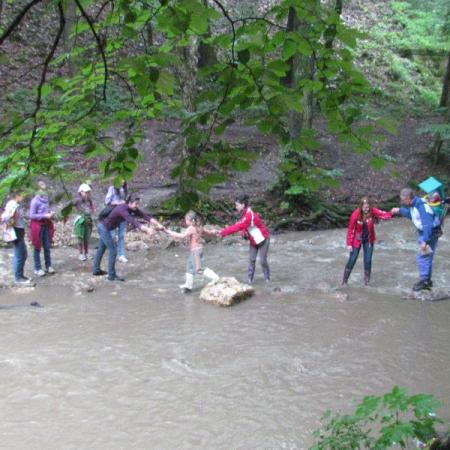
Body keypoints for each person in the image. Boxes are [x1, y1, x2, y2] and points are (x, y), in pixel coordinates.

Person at [93, 194, 163, 281]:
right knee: (113, 251)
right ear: (129, 203)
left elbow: (145, 216)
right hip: (103, 228)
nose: (137, 206)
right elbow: (133, 221)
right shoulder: (122, 209)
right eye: (136, 204)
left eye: (138, 204)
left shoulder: (132, 208)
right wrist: (147, 230)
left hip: (106, 228)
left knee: (101, 248)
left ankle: (96, 270)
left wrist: (158, 224)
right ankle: (111, 276)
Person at [391, 188, 442, 291]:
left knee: (423, 256)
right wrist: (400, 210)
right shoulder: (414, 204)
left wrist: (425, 241)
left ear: (408, 198)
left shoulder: (421, 206)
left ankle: (424, 281)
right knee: (427, 257)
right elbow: (413, 216)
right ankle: (427, 280)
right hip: (428, 232)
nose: (402, 201)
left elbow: (427, 223)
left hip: (429, 233)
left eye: (403, 199)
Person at [219, 194, 270, 285]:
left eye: (237, 205)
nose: (236, 207)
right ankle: (249, 281)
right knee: (252, 260)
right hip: (254, 241)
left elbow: (237, 226)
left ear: (243, 205)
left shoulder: (249, 215)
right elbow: (244, 227)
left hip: (264, 240)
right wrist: (244, 233)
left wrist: (222, 232)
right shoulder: (244, 213)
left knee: (262, 261)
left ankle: (267, 280)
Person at [163, 210, 219, 292]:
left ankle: (215, 278)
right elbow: (209, 233)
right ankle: (188, 285)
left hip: (195, 251)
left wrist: (167, 231)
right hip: (198, 250)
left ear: (190, 220)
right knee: (189, 267)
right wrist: (215, 232)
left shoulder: (191, 228)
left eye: (186, 220)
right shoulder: (199, 227)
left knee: (199, 269)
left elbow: (181, 236)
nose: (185, 221)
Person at [342, 197, 393, 286]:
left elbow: (382, 214)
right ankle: (344, 281)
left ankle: (367, 282)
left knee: (368, 260)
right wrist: (349, 244)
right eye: (365, 207)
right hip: (356, 240)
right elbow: (351, 230)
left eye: (368, 207)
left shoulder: (372, 211)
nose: (367, 209)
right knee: (352, 259)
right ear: (361, 207)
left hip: (369, 239)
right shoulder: (355, 214)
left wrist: (392, 213)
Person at [1, 190, 34, 285]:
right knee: (20, 254)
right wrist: (11, 220)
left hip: (19, 230)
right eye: (22, 195)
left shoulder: (16, 204)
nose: (24, 197)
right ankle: (18, 278)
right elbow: (6, 217)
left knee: (23, 254)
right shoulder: (12, 205)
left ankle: (21, 275)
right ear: (17, 195)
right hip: (16, 231)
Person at [29, 181, 55, 277]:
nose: (43, 191)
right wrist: (44, 215)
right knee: (37, 247)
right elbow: (31, 215)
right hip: (37, 226)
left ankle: (48, 266)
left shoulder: (46, 199)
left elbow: (46, 211)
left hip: (46, 225)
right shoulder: (34, 201)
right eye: (41, 189)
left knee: (47, 246)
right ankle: (37, 268)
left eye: (44, 189)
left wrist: (50, 213)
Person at [105, 180, 128, 262]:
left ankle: (121, 254)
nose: (123, 181)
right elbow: (107, 201)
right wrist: (117, 203)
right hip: (113, 216)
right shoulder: (112, 188)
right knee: (112, 235)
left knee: (121, 235)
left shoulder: (124, 189)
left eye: (124, 180)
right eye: (121, 180)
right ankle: (112, 253)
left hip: (122, 216)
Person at [73, 183, 95, 261]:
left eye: (88, 192)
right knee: (80, 237)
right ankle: (81, 253)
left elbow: (92, 208)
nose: (87, 194)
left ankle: (86, 252)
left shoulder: (89, 200)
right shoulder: (78, 200)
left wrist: (91, 211)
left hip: (88, 220)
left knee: (87, 238)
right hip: (80, 221)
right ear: (81, 192)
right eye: (85, 192)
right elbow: (72, 205)